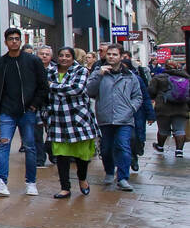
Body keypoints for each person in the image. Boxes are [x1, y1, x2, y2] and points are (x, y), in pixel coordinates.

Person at [0, 27, 48, 197]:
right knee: (3, 145)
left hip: (27, 111)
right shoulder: (0, 63)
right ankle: (1, 182)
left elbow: (43, 86)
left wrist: (34, 105)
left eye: (17, 38)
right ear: (5, 42)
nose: (14, 41)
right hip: (7, 111)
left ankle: (30, 182)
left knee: (30, 146)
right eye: (11, 39)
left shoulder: (32, 61)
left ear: (21, 41)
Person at [86, 45, 144, 192]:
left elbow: (138, 96)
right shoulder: (98, 73)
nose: (111, 57)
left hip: (124, 119)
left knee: (123, 147)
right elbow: (89, 91)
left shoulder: (129, 76)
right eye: (109, 54)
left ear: (120, 56)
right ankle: (110, 172)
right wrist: (99, 75)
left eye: (115, 54)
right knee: (106, 149)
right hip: (105, 117)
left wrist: (131, 108)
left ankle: (123, 178)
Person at [44, 47, 98, 197]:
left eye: (68, 56)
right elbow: (44, 91)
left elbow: (76, 89)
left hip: (77, 118)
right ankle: (65, 187)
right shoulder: (50, 71)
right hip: (57, 119)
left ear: (73, 57)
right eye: (61, 55)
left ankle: (82, 179)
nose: (64, 58)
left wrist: (52, 86)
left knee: (81, 154)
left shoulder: (80, 71)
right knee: (61, 155)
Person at [121, 52, 156, 174]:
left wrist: (150, 115)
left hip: (136, 113)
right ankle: (126, 160)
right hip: (119, 114)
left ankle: (133, 156)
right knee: (125, 139)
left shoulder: (137, 79)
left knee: (136, 138)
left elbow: (145, 97)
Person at [149, 59, 189, 157]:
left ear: (165, 67)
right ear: (177, 67)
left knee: (163, 129)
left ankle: (160, 146)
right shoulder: (185, 78)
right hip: (181, 108)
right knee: (180, 130)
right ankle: (179, 151)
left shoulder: (159, 78)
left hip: (163, 108)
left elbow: (151, 92)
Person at [34, 46, 54, 169]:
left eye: (47, 54)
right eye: (42, 54)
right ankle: (39, 159)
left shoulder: (56, 70)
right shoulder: (32, 68)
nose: (44, 56)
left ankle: (52, 153)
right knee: (36, 134)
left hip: (52, 106)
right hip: (36, 106)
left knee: (52, 133)